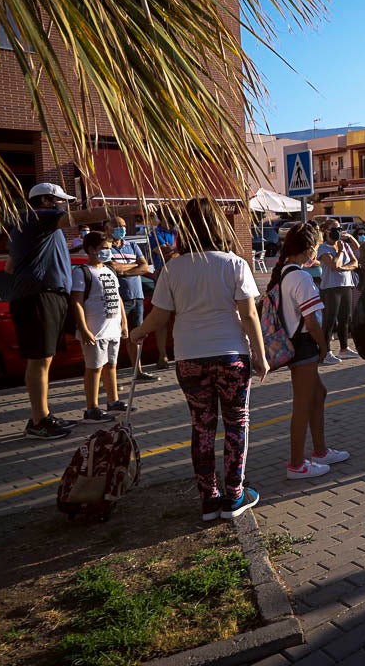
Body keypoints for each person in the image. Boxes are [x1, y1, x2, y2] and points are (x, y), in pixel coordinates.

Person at [129, 197, 268, 520]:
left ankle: (209, 499)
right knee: (237, 423)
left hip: (189, 356)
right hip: (232, 353)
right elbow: (249, 315)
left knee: (202, 426)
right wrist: (261, 355)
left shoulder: (174, 268)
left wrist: (137, 333)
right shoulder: (234, 264)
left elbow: (159, 316)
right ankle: (234, 495)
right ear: (218, 225)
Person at [8, 183, 146, 439]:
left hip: (45, 295)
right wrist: (134, 206)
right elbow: (84, 216)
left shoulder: (36, 229)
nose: (66, 207)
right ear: (47, 201)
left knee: (44, 358)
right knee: (39, 359)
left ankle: (43, 414)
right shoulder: (39, 217)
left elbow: (9, 266)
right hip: (40, 296)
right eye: (61, 202)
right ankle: (38, 421)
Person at [270, 223, 348, 479]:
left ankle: (320, 450)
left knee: (318, 393)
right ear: (308, 249)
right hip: (303, 345)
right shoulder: (300, 277)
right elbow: (312, 322)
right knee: (302, 404)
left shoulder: (285, 272)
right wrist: (325, 348)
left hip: (298, 343)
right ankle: (297, 463)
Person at [69, 231, 128, 422]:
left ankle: (113, 401)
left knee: (111, 365)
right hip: (95, 331)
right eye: (104, 248)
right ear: (91, 249)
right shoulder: (82, 272)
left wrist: (124, 323)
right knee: (94, 368)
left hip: (112, 329)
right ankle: (91, 408)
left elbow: (118, 298)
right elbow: (76, 302)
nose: (108, 252)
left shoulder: (109, 270)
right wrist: (84, 329)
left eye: (109, 249)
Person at [105, 217, 158, 382]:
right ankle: (108, 378)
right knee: (113, 338)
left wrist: (125, 271)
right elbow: (113, 268)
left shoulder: (132, 245)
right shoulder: (106, 247)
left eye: (123, 226)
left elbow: (144, 267)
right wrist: (133, 266)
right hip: (118, 299)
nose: (121, 229)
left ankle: (138, 371)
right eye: (117, 226)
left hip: (137, 296)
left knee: (135, 335)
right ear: (107, 227)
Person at [317, 219, 359, 364]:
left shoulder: (345, 245)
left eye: (339, 228)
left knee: (345, 317)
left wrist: (343, 267)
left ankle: (344, 348)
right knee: (330, 320)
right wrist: (340, 252)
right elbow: (333, 265)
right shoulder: (324, 248)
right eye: (334, 229)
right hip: (330, 287)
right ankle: (326, 352)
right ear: (326, 231)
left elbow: (355, 263)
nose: (338, 231)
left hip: (346, 285)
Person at [147, 211, 179, 369]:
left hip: (181, 273)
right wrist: (177, 251)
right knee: (162, 316)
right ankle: (162, 356)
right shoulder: (154, 232)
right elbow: (165, 253)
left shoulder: (178, 231)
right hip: (163, 274)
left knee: (182, 315)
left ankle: (179, 352)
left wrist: (175, 251)